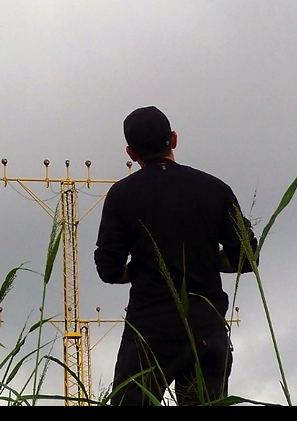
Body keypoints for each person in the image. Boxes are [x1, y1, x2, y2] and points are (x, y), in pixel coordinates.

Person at [94, 106, 258, 405]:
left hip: (149, 332)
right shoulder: (215, 189)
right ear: (173, 139)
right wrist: (207, 260)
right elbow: (245, 257)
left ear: (131, 153)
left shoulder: (123, 195)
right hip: (205, 327)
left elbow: (109, 269)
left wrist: (143, 268)